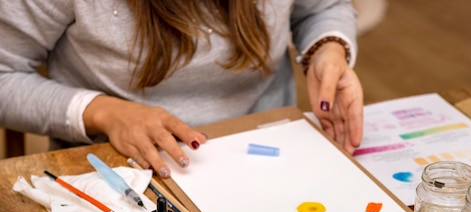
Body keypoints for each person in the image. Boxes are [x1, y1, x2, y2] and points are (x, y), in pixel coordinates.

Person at [0, 1, 363, 178]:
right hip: (117, 172)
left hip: (268, 153)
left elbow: (321, 8)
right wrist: (105, 112)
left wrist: (326, 48)